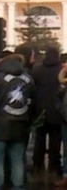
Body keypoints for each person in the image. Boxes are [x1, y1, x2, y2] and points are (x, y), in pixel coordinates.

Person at [0, 53, 34, 190]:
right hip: (21, 124)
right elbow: (32, 101)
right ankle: (18, 186)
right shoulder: (28, 78)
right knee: (18, 159)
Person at [31, 45, 62, 175]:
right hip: (56, 110)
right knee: (55, 139)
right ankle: (54, 164)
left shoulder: (37, 69)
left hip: (40, 109)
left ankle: (38, 163)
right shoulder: (61, 70)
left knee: (40, 137)